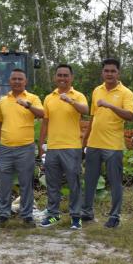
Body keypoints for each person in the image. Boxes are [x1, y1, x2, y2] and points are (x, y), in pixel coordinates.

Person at [82, 58, 133, 228]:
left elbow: (130, 115)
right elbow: (93, 117)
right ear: (102, 73)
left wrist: (110, 105)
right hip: (94, 144)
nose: (109, 74)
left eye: (113, 71)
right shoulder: (96, 90)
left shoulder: (126, 93)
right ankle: (87, 213)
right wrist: (85, 141)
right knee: (90, 180)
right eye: (106, 71)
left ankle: (114, 216)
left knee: (115, 182)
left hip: (113, 145)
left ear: (118, 73)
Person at [37, 64, 89, 229]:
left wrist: (70, 100)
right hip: (52, 147)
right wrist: (41, 143)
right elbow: (45, 121)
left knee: (74, 183)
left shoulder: (78, 95)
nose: (62, 78)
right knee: (53, 184)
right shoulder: (49, 98)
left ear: (71, 78)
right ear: (55, 77)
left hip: (72, 147)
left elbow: (85, 110)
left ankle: (76, 217)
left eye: (66, 75)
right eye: (59, 75)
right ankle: (53, 215)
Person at [0, 68, 44, 227]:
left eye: (20, 79)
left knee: (25, 183)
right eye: (14, 79)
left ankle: (27, 215)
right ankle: (3, 214)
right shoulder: (3, 101)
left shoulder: (33, 98)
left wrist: (28, 106)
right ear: (9, 81)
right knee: (5, 183)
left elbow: (42, 114)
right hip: (6, 148)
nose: (16, 81)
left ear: (25, 81)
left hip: (25, 148)